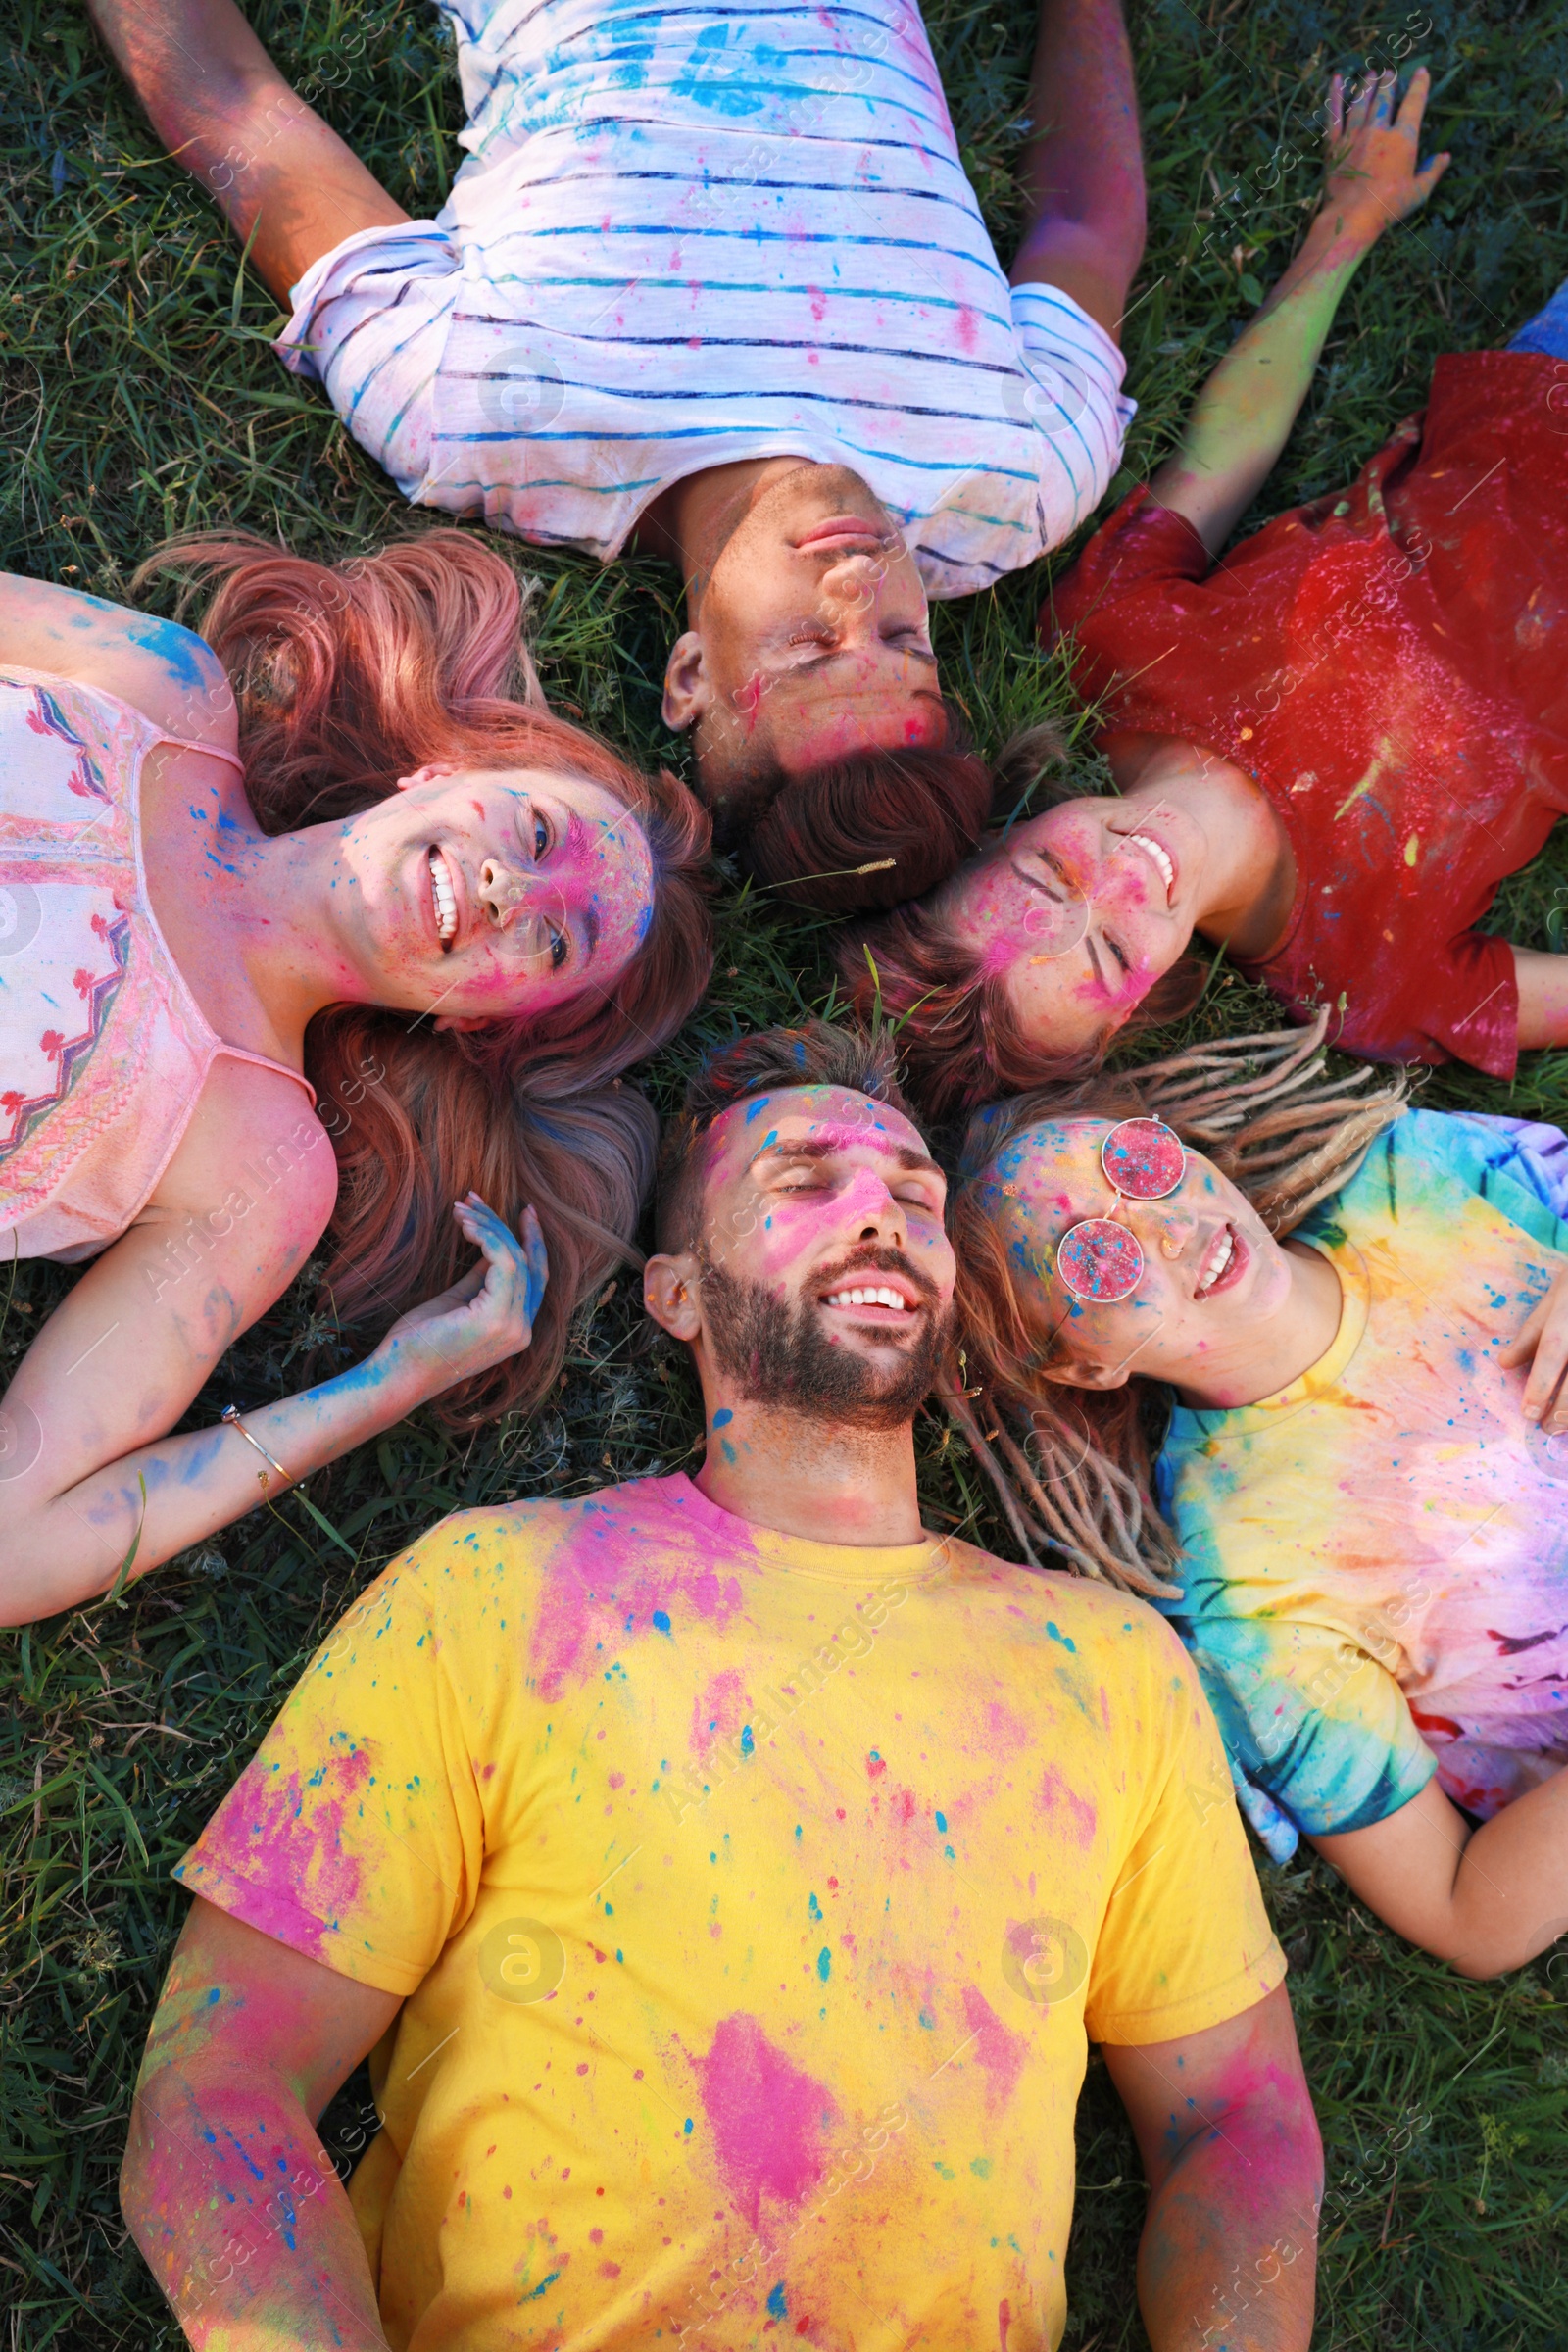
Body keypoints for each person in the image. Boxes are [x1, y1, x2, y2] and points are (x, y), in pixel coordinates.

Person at [119, 1021, 1321, 2352]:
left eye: (916, 1198)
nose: (881, 1217)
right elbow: (224, 2082)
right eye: (804, 1186)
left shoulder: (1112, 1667)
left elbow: (1240, 2124)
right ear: (678, 1293)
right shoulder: (499, 1592)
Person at [85, 0, 1148, 914]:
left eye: (812, 649)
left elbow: (233, 108)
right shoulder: (1016, 480)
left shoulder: (481, 411)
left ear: (691, 676)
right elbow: (1085, 223)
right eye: (906, 637)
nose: (862, 580)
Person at [1, 533, 710, 1623]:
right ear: (445, 774)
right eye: (532, 829)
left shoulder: (261, 1163)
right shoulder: (159, 689)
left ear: (483, 1020)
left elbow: (16, 1534)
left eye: (555, 942)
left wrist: (387, 1384)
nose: (506, 887)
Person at [844, 71, 1568, 1119]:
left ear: (1000, 830)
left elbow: (1230, 449)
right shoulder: (1363, 980)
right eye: (1104, 954)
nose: (1123, 882)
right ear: (1134, 1016)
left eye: (1049, 880)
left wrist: (1345, 223)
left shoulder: (1108, 644)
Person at [950, 1015, 1568, 1979]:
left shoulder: (1419, 1183)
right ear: (1084, 1366)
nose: (1166, 1227)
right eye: (1097, 1259)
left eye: (1141, 1164)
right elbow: (1463, 1912)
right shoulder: (1245, 1592)